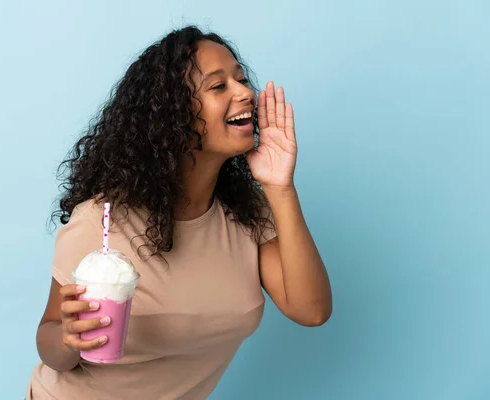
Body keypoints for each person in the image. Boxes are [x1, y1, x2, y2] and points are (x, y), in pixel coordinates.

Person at [26, 25, 332, 400]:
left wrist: (280, 187)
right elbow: (51, 340)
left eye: (240, 79)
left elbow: (311, 310)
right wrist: (68, 339)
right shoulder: (101, 221)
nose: (246, 92)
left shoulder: (247, 214)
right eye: (218, 86)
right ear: (173, 115)